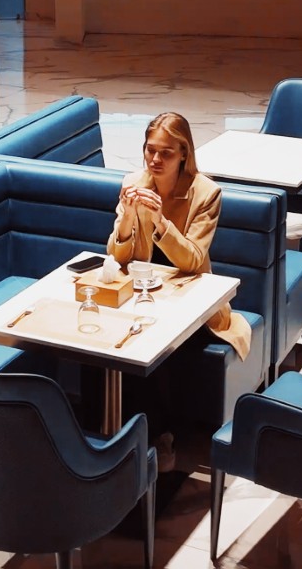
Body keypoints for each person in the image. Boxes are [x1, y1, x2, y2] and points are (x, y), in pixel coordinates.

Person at [106, 112, 252, 470]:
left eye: (166, 153)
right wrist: (127, 217)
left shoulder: (206, 193)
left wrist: (160, 221)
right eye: (150, 150)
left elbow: (194, 259)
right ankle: (112, 437)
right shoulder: (133, 182)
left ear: (184, 153)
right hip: (143, 295)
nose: (155, 159)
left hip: (192, 300)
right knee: (110, 341)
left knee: (159, 347)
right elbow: (117, 256)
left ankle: (161, 438)